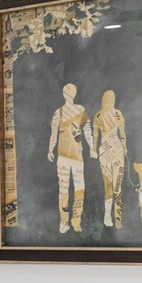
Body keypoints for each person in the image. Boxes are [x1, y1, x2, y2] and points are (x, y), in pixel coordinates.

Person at [45, 83, 89, 234]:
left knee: (79, 188)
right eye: (66, 91)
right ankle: (64, 222)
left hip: (77, 156)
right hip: (63, 156)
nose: (69, 93)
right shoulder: (59, 112)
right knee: (64, 189)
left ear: (74, 93)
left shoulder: (81, 110)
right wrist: (50, 149)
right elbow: (53, 133)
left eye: (71, 91)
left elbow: (87, 130)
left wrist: (92, 148)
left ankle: (76, 221)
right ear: (64, 94)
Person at [90, 89, 127, 228]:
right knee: (111, 186)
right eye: (109, 98)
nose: (110, 101)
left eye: (111, 98)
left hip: (112, 151)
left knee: (114, 186)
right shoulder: (100, 115)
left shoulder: (113, 114)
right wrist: (93, 149)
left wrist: (124, 147)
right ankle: (110, 217)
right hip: (108, 152)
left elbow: (122, 132)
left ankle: (115, 218)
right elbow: (96, 134)